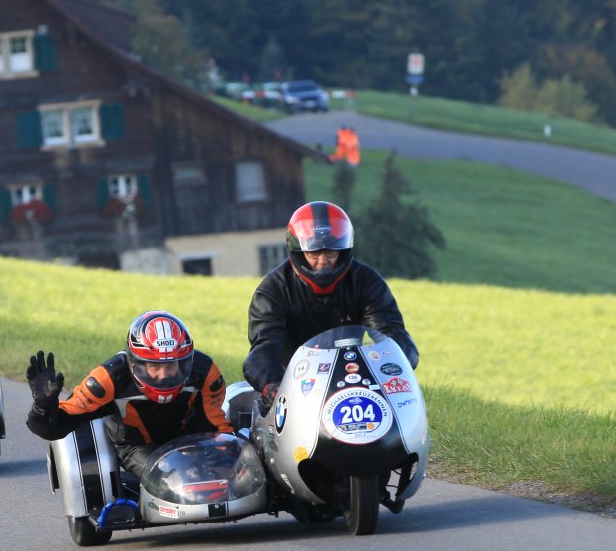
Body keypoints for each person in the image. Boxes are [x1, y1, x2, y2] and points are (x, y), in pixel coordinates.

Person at [243, 200, 418, 410]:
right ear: (299, 252)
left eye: (331, 252)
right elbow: (264, 350)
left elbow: (392, 335)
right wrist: (275, 387)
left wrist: (392, 370)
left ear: (343, 251)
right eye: (314, 253)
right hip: (294, 388)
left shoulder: (367, 282)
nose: (323, 261)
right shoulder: (272, 291)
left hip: (356, 381)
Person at [25, 311, 233, 481]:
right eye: (155, 366)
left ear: (185, 362)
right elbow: (57, 426)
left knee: (233, 464)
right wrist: (43, 407)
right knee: (174, 476)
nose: (164, 375)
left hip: (188, 439)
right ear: (136, 363)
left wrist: (230, 454)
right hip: (135, 446)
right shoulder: (107, 378)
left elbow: (215, 424)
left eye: (171, 365)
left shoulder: (204, 372)